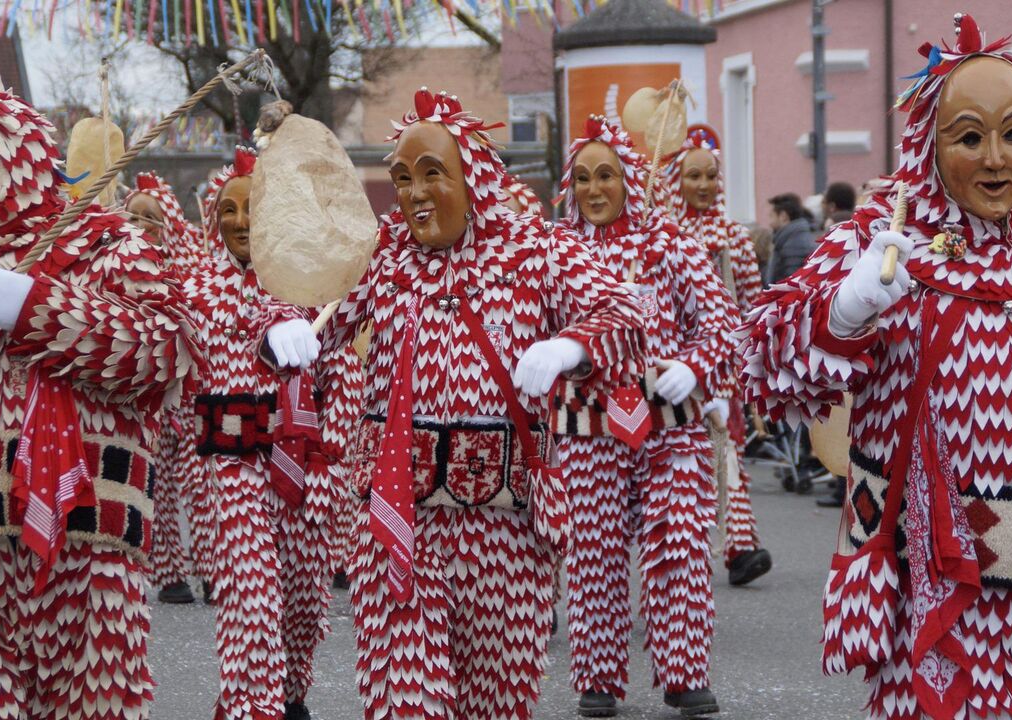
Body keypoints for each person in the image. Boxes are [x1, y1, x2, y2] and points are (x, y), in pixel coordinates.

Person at [740, 15, 1012, 719]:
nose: (995, 159)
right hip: (943, 607)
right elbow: (763, 360)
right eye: (969, 137)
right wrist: (845, 311)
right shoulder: (886, 240)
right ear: (930, 146)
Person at [269, 88, 645, 720]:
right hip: (396, 522)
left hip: (504, 531)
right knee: (404, 699)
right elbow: (305, 296)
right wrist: (284, 325)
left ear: (473, 178)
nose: (415, 193)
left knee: (497, 701)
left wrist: (568, 346)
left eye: (432, 175)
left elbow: (626, 312)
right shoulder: (378, 257)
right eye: (402, 178)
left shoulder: (536, 253)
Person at [0, 70, 198, 719]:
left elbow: (169, 350)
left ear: (14, 156)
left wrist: (38, 308)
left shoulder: (103, 247)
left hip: (92, 568)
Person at [556, 115, 742, 717]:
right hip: (589, 424)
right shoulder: (557, 251)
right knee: (595, 551)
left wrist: (698, 364)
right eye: (582, 177)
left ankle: (685, 671)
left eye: (605, 175)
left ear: (629, 181)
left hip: (670, 421)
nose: (593, 189)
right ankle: (599, 678)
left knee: (679, 543)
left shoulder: (670, 243)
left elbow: (722, 324)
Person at [182, 146, 364, 720]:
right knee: (252, 591)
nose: (240, 222)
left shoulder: (314, 288)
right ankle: (247, 705)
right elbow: (195, 342)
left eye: (253, 209)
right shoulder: (197, 290)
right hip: (235, 461)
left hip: (306, 462)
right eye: (228, 211)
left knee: (307, 599)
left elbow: (345, 371)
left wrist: (334, 452)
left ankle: (289, 694)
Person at [660, 128, 771, 588]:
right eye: (693, 176)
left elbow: (750, 304)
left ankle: (740, 548)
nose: (703, 185)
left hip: (720, 361)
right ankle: (673, 548)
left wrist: (753, 362)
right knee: (674, 458)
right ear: (676, 180)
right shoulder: (661, 235)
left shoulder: (734, 237)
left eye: (710, 175)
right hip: (670, 361)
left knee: (726, 448)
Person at [123, 172, 214, 605]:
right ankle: (170, 573)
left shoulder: (195, 270)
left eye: (151, 218)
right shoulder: (119, 271)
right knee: (155, 486)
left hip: (195, 395)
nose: (142, 225)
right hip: (147, 399)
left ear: (171, 224)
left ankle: (215, 569)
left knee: (202, 485)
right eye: (134, 216)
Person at [763, 192, 817, 286]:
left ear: (783, 216)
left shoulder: (795, 243)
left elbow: (791, 284)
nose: (770, 222)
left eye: (771, 216)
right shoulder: (791, 238)